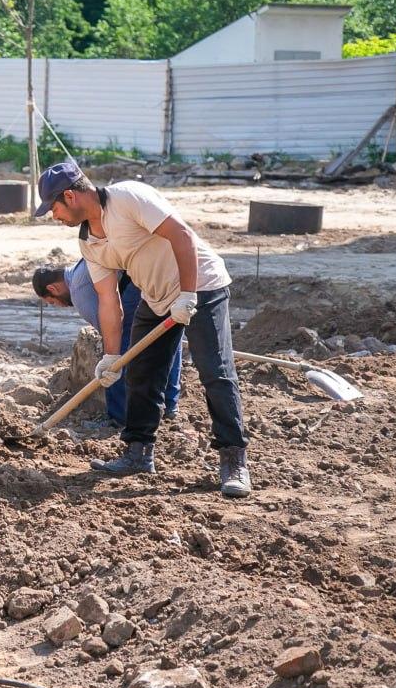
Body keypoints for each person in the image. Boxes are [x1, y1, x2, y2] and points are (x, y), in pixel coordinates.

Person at [35, 161, 252, 498]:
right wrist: (110, 356)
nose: (54, 216)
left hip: (202, 285)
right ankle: (138, 452)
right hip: (157, 296)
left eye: (54, 208)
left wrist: (188, 294)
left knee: (215, 371)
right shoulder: (90, 243)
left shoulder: (129, 197)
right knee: (141, 371)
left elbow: (181, 235)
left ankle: (233, 459)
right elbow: (109, 300)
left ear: (69, 196)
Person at [33, 259, 182, 427]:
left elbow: (110, 330)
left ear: (53, 289)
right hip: (162, 269)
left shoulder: (78, 290)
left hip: (140, 279)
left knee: (114, 349)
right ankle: (169, 405)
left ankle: (119, 417)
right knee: (167, 331)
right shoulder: (80, 267)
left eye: (53, 302)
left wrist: (111, 354)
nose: (59, 306)